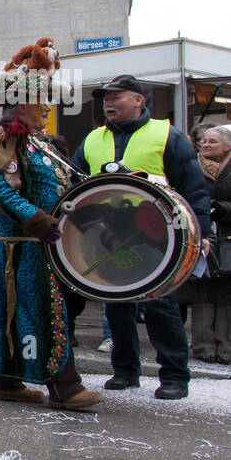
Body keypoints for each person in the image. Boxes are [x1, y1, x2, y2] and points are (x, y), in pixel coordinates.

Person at [0, 45, 103, 410]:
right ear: (20, 105)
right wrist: (39, 221)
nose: (48, 106)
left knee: (17, 312)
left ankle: (5, 380)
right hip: (21, 245)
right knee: (44, 309)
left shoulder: (41, 146)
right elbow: (0, 191)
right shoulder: (7, 141)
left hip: (38, 243)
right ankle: (65, 386)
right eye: (41, 99)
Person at [70, 75, 212, 399]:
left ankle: (174, 375)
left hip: (159, 233)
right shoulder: (92, 139)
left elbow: (193, 188)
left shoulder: (167, 136)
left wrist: (201, 231)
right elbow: (76, 185)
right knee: (116, 306)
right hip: (111, 231)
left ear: (139, 99)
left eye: (117, 97)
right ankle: (124, 371)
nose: (108, 102)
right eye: (105, 97)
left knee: (160, 305)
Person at [189, 124, 231, 363]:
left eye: (212, 142)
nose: (205, 145)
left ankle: (226, 348)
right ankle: (203, 347)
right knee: (202, 290)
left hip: (228, 234)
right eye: (204, 141)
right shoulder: (193, 166)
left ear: (228, 146)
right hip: (202, 233)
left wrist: (224, 208)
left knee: (226, 293)